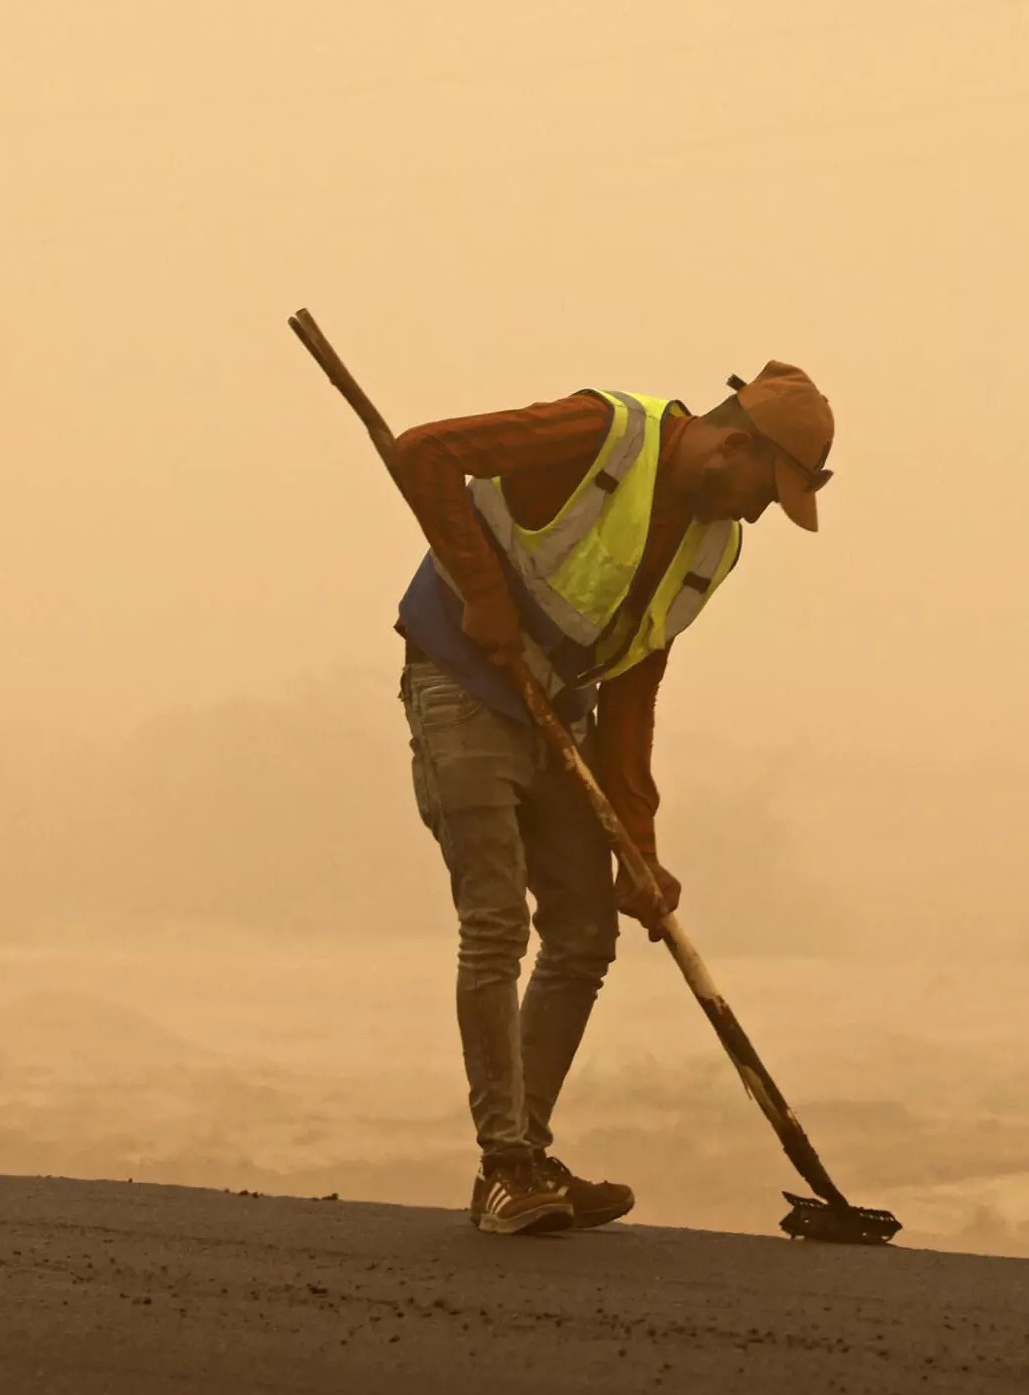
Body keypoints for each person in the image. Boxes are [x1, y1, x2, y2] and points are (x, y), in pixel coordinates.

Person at [390, 361, 835, 1235]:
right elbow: (423, 453)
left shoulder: (714, 543)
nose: (759, 513)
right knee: (494, 923)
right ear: (732, 444)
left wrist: (640, 846)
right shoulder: (599, 432)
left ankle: (528, 1151)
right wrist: (484, 596)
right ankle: (506, 1167)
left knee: (587, 934)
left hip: (557, 706)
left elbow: (635, 687)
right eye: (764, 490)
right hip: (459, 683)